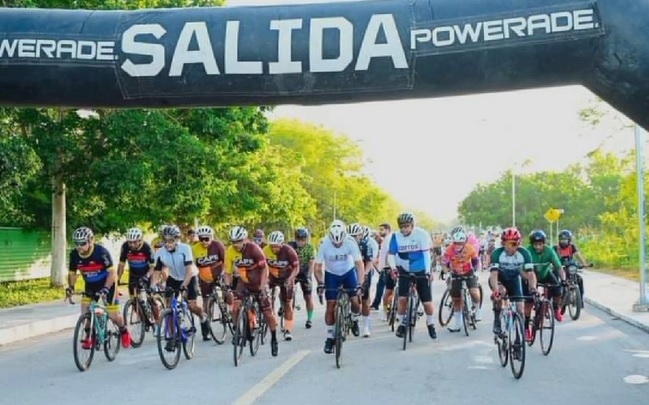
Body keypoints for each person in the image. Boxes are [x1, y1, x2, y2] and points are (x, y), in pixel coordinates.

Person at [67, 227, 132, 349]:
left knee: (113, 315)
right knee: (85, 312)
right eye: (77, 243)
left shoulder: (101, 252)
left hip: (108, 284)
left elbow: (112, 273)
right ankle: (89, 338)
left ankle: (124, 331)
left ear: (91, 241)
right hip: (91, 285)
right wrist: (70, 287)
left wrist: (106, 288)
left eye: (83, 243)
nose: (79, 246)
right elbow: (72, 274)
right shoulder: (74, 255)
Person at [152, 225, 210, 352]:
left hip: (189, 276)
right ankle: (173, 338)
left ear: (177, 240)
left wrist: (185, 284)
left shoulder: (185, 248)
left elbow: (189, 269)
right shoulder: (160, 252)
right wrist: (152, 287)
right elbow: (156, 272)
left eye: (171, 240)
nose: (168, 244)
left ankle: (203, 316)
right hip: (174, 278)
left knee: (192, 305)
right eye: (166, 241)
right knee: (169, 308)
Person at [224, 226, 279, 357]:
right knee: (235, 307)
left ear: (245, 239)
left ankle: (274, 338)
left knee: (267, 312)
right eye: (233, 242)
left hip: (258, 281)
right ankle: (240, 332)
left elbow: (265, 269)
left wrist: (262, 285)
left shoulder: (254, 249)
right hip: (244, 282)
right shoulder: (230, 251)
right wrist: (227, 287)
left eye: (239, 241)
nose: (236, 244)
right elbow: (227, 272)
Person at [314, 220, 364, 354]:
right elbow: (317, 267)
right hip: (331, 274)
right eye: (335, 242)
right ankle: (330, 337)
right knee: (330, 305)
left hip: (348, 272)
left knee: (355, 300)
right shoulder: (324, 244)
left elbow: (359, 265)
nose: (337, 244)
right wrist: (320, 282)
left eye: (340, 242)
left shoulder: (350, 242)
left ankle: (354, 319)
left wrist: (360, 283)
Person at [386, 212, 437, 340]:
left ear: (412, 225)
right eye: (401, 226)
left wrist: (428, 271)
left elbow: (426, 255)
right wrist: (393, 268)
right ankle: (402, 323)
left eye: (407, 226)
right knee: (402, 299)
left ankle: (430, 323)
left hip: (421, 270)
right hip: (404, 271)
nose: (404, 229)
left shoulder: (422, 235)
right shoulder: (396, 237)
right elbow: (391, 255)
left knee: (427, 303)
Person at [488, 227, 537, 336]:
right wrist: (496, 290)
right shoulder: (496, 254)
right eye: (507, 244)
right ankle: (497, 320)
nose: (510, 247)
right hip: (500, 279)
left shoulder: (524, 253)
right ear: (502, 243)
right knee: (500, 292)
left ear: (518, 244)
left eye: (513, 244)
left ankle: (520, 335)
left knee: (520, 308)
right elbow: (494, 274)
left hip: (514, 280)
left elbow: (530, 274)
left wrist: (533, 288)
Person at [526, 230, 566, 338]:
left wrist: (563, 280)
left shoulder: (549, 251)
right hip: (530, 276)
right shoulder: (528, 251)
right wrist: (530, 284)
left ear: (544, 243)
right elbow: (523, 269)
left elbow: (559, 268)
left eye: (540, 244)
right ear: (532, 244)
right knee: (529, 301)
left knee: (558, 289)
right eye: (535, 244)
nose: (537, 247)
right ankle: (526, 328)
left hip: (544, 275)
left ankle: (556, 308)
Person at [442, 230, 482, 332]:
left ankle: (477, 310)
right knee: (456, 299)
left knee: (474, 291)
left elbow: (476, 261)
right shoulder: (449, 250)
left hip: (469, 272)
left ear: (464, 243)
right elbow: (445, 264)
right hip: (456, 274)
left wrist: (476, 271)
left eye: (460, 243)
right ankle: (457, 324)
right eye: (456, 243)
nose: (458, 246)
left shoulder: (470, 249)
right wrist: (446, 273)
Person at [191, 225, 226, 341]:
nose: (204, 242)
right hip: (204, 278)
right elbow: (192, 265)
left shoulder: (218, 245)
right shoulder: (195, 248)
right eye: (201, 239)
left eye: (207, 239)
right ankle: (206, 329)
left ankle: (229, 311)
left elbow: (226, 261)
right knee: (206, 303)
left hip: (219, 275)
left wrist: (224, 274)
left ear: (212, 237)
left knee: (229, 293)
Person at [264, 231, 300, 341]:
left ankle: (288, 330)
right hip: (272, 276)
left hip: (286, 277)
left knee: (288, 303)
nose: (274, 249)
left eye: (277, 246)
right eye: (272, 246)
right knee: (264, 295)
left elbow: (296, 268)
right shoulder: (265, 250)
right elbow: (262, 267)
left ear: (282, 243)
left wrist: (290, 279)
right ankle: (270, 316)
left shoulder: (289, 251)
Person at [288, 227, 316, 328]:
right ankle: (285, 310)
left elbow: (311, 263)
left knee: (308, 297)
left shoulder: (310, 248)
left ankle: (310, 318)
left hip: (304, 272)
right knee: (287, 293)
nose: (301, 241)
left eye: (303, 239)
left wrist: (309, 275)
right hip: (293, 272)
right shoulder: (291, 246)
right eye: (298, 239)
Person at [553, 229, 589, 305]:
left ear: (569, 240)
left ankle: (580, 300)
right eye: (562, 240)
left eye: (565, 240)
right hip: (559, 269)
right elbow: (551, 258)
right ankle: (553, 300)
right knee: (555, 283)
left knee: (579, 280)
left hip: (569, 268)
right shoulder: (555, 248)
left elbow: (578, 255)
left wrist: (584, 263)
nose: (563, 242)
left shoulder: (572, 247)